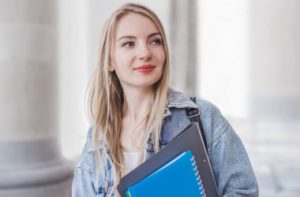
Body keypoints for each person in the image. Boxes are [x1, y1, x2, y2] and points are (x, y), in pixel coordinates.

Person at [72, 3, 259, 197]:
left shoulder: (202, 116)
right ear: (109, 60)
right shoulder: (97, 140)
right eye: (129, 43)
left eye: (155, 41)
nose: (145, 53)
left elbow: (244, 191)